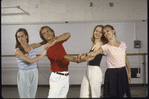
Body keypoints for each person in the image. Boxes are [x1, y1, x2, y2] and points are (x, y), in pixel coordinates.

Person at [81, 25, 131, 98]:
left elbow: (125, 59)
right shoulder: (105, 46)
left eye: (107, 31)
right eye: (104, 33)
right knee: (112, 95)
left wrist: (129, 71)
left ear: (113, 31)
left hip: (122, 72)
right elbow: (95, 52)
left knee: (122, 94)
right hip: (111, 73)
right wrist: (86, 54)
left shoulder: (122, 44)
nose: (106, 34)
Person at [39, 26, 78, 98]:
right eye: (44, 33)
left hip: (65, 76)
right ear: (43, 37)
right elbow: (64, 57)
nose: (47, 34)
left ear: (52, 32)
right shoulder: (50, 49)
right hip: (58, 77)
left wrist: (55, 41)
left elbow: (68, 34)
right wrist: (76, 59)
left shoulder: (57, 41)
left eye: (48, 31)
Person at [14, 28, 47, 98]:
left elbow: (43, 42)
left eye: (22, 36)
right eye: (18, 37)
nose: (20, 38)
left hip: (34, 73)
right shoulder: (17, 51)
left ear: (26, 36)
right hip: (24, 74)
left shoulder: (32, 46)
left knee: (32, 95)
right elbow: (31, 61)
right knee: (24, 96)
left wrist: (54, 39)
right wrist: (43, 54)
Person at [77, 25, 108, 98]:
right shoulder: (94, 43)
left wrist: (79, 60)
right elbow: (88, 57)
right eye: (96, 31)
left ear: (103, 34)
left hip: (95, 71)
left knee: (95, 95)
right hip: (88, 69)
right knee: (83, 95)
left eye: (100, 32)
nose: (97, 33)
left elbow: (92, 57)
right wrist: (81, 58)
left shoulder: (100, 43)